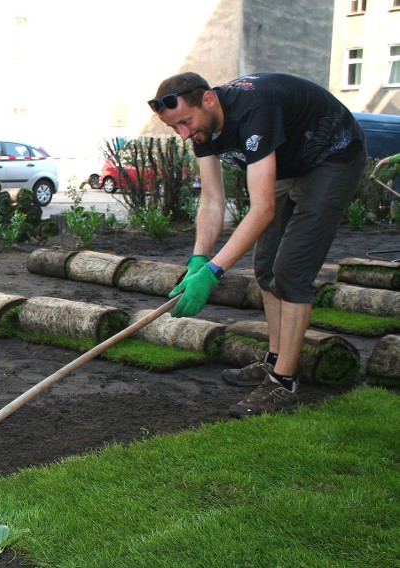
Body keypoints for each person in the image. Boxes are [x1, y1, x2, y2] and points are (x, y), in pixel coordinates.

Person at [149, 72, 366, 418]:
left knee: (291, 272)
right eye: (175, 128)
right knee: (265, 268)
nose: (184, 134)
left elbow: (262, 209)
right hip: (288, 165)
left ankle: (284, 384)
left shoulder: (254, 110)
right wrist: (198, 259)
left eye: (185, 123)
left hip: (332, 158)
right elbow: (211, 201)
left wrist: (212, 273)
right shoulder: (202, 128)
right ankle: (275, 360)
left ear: (208, 99)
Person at [371, 152, 400, 225]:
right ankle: (394, 220)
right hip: (399, 176)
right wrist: (373, 174)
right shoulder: (398, 157)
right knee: (396, 198)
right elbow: (382, 162)